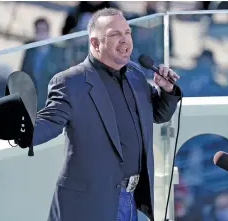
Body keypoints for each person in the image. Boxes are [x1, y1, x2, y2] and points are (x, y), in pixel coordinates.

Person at [19, 8, 181, 221]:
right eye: (115, 35)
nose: (125, 40)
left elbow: (159, 115)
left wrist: (167, 91)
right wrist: (18, 127)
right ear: (95, 43)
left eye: (127, 33)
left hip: (133, 199)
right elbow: (49, 121)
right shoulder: (70, 82)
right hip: (90, 204)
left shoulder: (135, 74)